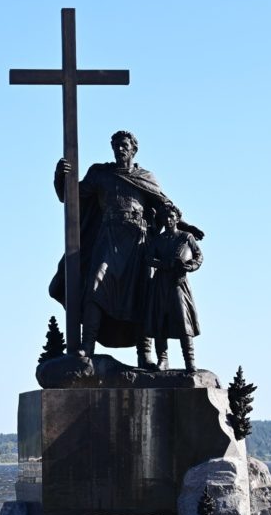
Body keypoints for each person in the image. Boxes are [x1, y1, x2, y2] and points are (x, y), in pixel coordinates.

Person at [50, 131, 202, 367]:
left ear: (133, 149)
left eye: (123, 145)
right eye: (115, 146)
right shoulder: (101, 174)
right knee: (95, 284)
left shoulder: (145, 177)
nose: (119, 150)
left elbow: (165, 206)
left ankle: (144, 354)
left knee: (142, 294)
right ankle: (86, 347)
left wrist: (185, 226)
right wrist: (61, 178)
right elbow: (71, 197)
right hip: (108, 237)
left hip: (138, 241)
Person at [144, 205, 202, 371]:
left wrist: (188, 266)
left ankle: (190, 361)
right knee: (160, 320)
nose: (168, 220)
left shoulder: (186, 237)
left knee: (184, 321)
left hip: (178, 282)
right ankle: (163, 359)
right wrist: (163, 264)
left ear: (177, 218)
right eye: (165, 218)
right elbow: (148, 258)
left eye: (171, 217)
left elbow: (199, 256)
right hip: (161, 282)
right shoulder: (158, 240)